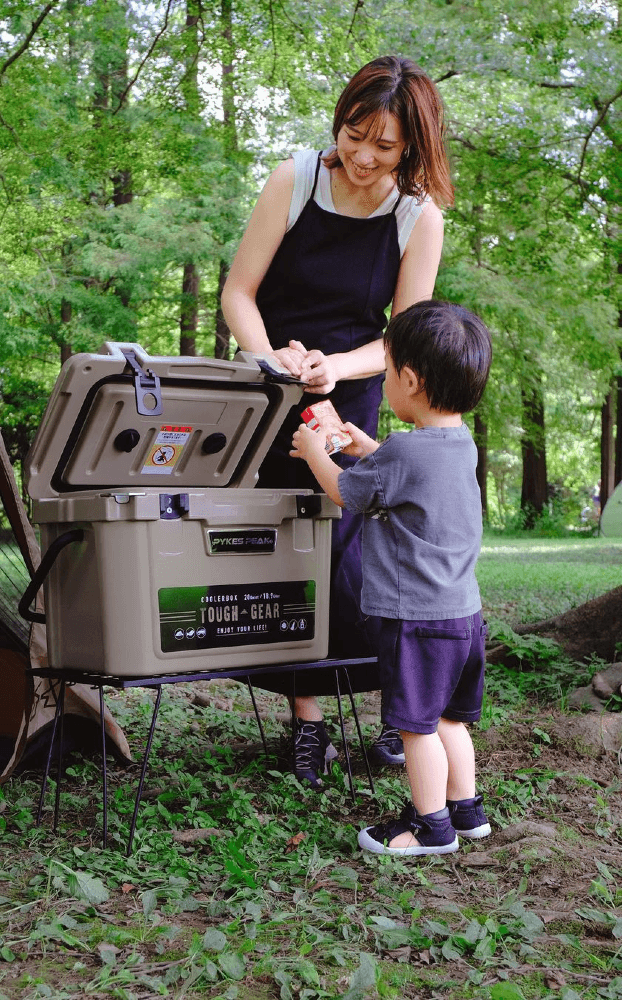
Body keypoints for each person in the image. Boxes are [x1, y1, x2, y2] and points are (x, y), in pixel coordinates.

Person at [221, 55, 454, 788]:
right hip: (269, 392)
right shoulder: (294, 179)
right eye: (356, 134)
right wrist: (277, 366)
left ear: (413, 147)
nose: (362, 156)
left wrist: (332, 370)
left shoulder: (419, 218)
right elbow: (239, 292)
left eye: (384, 147)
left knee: (358, 561)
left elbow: (402, 338)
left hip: (349, 401)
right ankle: (307, 728)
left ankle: (396, 715)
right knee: (290, 558)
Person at [290, 299, 493, 856]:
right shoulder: (459, 445)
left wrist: (315, 450)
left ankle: (430, 827)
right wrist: (369, 449)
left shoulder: (404, 449)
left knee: (416, 728)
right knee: (452, 719)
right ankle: (466, 810)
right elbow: (411, 484)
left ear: (409, 379)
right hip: (462, 617)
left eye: (386, 371)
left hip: (416, 621)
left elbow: (345, 492)